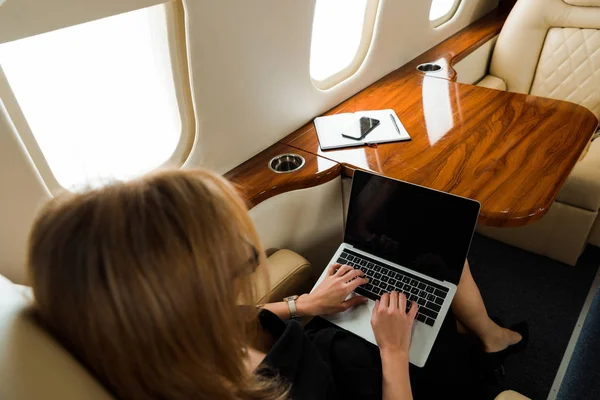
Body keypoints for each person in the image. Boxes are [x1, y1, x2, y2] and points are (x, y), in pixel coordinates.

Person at [27, 169, 526, 400]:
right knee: (440, 298)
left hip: (324, 342)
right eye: (237, 262)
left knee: (434, 262)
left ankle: (481, 336)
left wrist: (306, 303)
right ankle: (490, 346)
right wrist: (393, 354)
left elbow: (232, 322)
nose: (249, 264)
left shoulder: (156, 343)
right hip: (374, 381)